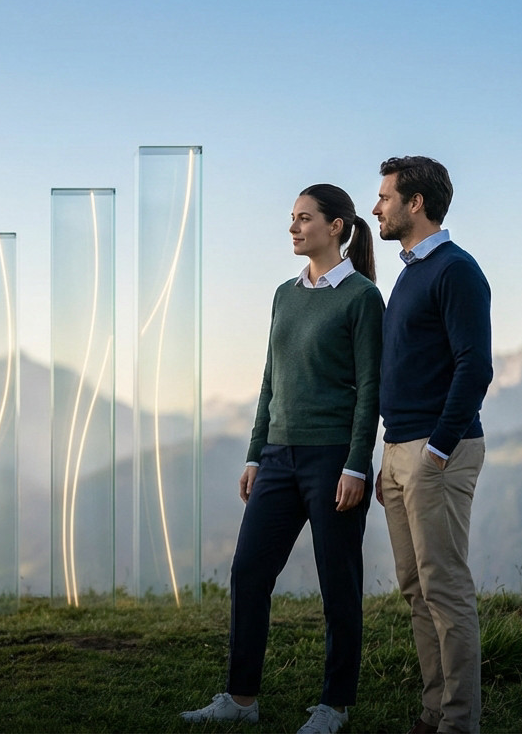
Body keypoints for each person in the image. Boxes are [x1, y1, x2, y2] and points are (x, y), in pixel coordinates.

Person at [182, 184, 383, 734]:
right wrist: (254, 455)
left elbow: (371, 390)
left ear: (337, 226)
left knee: (337, 582)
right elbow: (271, 380)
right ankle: (241, 699)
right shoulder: (283, 294)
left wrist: (356, 464)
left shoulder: (363, 298)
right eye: (291, 219)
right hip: (276, 456)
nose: (293, 228)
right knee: (248, 571)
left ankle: (334, 706)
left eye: (304, 219)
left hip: (332, 459)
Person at [372, 156, 492, 734]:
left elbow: (475, 368)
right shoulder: (409, 271)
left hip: (437, 452)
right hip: (402, 451)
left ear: (415, 203)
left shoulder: (455, 270)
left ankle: (459, 723)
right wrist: (389, 456)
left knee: (445, 590)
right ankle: (432, 713)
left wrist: (436, 451)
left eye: (386, 197)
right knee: (417, 590)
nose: (377, 208)